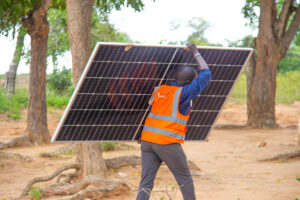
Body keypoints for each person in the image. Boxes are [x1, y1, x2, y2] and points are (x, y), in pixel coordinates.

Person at [136, 43, 212, 200]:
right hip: (166, 142)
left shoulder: (160, 90)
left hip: (147, 141)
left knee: (145, 183)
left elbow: (150, 113)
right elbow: (206, 75)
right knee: (184, 178)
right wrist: (195, 53)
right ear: (188, 83)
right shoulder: (183, 93)